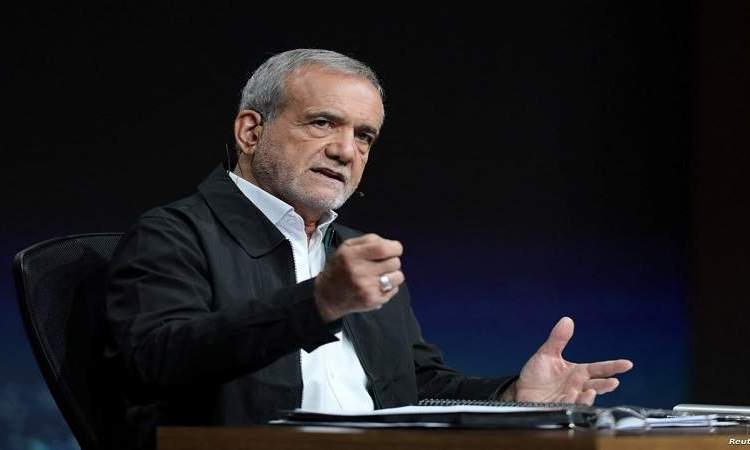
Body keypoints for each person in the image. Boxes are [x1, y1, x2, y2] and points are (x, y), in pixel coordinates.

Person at [105, 49, 632, 449]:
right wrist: (318, 303)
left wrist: (512, 397)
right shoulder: (172, 234)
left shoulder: (357, 251)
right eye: (322, 123)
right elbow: (157, 363)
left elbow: (413, 387)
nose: (345, 150)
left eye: (364, 136)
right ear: (250, 131)